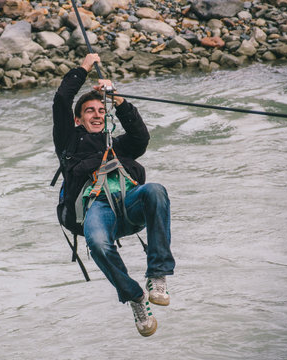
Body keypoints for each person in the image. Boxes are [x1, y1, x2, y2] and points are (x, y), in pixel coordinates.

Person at [52, 53, 175, 337]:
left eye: (100, 110)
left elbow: (141, 136)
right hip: (97, 208)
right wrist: (83, 68)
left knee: (156, 190)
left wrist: (116, 100)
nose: (96, 114)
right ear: (79, 119)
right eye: (89, 111)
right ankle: (135, 297)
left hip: (130, 205)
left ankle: (157, 275)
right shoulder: (69, 142)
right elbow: (61, 101)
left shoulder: (121, 144)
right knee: (97, 243)